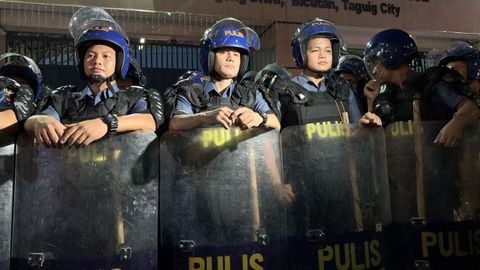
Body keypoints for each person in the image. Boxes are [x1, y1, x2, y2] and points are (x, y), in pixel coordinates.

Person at [24, 6, 163, 148]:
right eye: (90, 55)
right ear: (81, 61)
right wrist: (40, 120)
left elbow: (149, 121)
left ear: (119, 62)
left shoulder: (133, 97)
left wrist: (107, 123)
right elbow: (32, 122)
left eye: (106, 56)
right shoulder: (64, 99)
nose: (97, 61)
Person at [363, 28, 480, 147]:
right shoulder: (387, 94)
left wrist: (456, 124)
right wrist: (371, 104)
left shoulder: (430, 83)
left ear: (390, 57)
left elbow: (471, 109)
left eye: (375, 63)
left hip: (438, 161)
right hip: (403, 162)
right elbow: (376, 134)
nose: (374, 70)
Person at [258, 18, 379, 127]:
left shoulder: (342, 88)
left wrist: (365, 122)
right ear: (301, 54)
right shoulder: (285, 92)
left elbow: (356, 129)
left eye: (328, 50)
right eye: (315, 50)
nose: (323, 56)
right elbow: (273, 130)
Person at [168, 17, 280, 131]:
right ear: (210, 56)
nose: (231, 58)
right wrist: (203, 117)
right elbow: (175, 124)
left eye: (236, 54)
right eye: (223, 52)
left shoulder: (251, 92)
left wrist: (260, 117)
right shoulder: (191, 92)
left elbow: (276, 123)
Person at [0, 53, 43, 132]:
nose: (16, 85)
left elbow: (14, 120)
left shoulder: (26, 93)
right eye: (11, 80)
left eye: (22, 83)